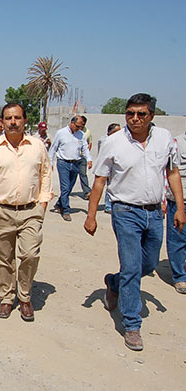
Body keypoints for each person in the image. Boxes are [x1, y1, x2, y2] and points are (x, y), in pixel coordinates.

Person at [84, 93, 186, 351]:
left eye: (141, 114)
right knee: (131, 265)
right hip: (125, 211)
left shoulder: (164, 139)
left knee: (148, 264)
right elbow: (99, 180)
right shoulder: (113, 142)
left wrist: (180, 208)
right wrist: (91, 215)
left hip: (154, 213)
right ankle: (132, 324)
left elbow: (172, 173)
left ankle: (114, 283)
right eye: (130, 113)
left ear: (151, 115)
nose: (135, 119)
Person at [0, 103, 52, 321]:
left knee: (30, 254)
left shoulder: (37, 146)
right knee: (1, 258)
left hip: (30, 210)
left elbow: (46, 174)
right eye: (8, 118)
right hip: (0, 210)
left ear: (25, 120)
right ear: (2, 121)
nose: (13, 122)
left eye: (17, 117)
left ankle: (25, 296)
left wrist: (43, 203)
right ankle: (6, 298)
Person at [48, 115, 92, 221]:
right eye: (77, 126)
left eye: (81, 127)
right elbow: (53, 148)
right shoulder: (61, 133)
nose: (79, 129)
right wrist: (50, 163)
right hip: (63, 163)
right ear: (72, 123)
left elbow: (85, 148)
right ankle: (66, 210)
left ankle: (59, 204)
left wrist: (89, 159)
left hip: (75, 163)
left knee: (69, 188)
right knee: (65, 187)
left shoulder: (81, 135)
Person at [165, 128, 186, 295]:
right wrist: (164, 199)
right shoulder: (176, 143)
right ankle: (180, 276)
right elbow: (169, 173)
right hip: (179, 200)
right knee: (178, 239)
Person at [97, 123, 121, 213]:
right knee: (104, 184)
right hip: (106, 165)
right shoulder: (105, 140)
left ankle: (110, 204)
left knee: (111, 185)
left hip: (114, 165)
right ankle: (108, 206)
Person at [78, 116, 93, 199]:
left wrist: (87, 156)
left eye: (83, 124)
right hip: (72, 157)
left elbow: (89, 143)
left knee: (83, 175)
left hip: (82, 157)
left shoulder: (87, 132)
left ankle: (87, 192)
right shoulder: (73, 131)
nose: (81, 126)